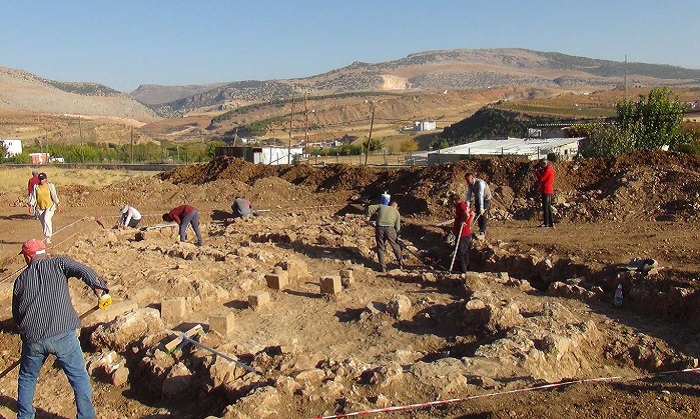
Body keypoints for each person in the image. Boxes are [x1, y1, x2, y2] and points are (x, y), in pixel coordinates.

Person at [12, 239, 111, 419]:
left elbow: (17, 315)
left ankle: (25, 416)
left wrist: (29, 333)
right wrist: (101, 293)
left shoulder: (20, 280)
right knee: (79, 378)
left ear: (27, 257)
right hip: (63, 332)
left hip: (33, 338)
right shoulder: (59, 263)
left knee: (27, 377)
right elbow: (83, 270)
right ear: (44, 251)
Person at [366, 201, 403, 272]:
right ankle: (401, 264)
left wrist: (368, 218)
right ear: (395, 206)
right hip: (390, 229)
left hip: (379, 228)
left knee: (380, 247)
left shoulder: (381, 206)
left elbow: (369, 208)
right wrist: (397, 236)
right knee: (395, 245)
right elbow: (398, 227)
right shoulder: (396, 212)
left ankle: (382, 267)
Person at [28, 172, 59, 244]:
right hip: (40, 207)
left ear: (45, 179)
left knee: (46, 219)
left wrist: (57, 204)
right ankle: (46, 236)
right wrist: (31, 206)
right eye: (40, 179)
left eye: (42, 179)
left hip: (49, 206)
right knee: (43, 223)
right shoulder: (36, 186)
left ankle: (48, 236)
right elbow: (33, 197)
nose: (41, 181)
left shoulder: (50, 186)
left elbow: (54, 195)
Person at [451, 193, 475, 273]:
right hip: (465, 233)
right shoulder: (464, 205)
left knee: (460, 254)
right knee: (465, 253)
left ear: (454, 201)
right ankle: (467, 269)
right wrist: (468, 224)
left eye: (451, 202)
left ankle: (463, 272)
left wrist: (462, 222)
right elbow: (472, 214)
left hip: (463, 234)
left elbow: (467, 215)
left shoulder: (461, 206)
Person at [464, 173, 492, 237]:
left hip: (486, 199)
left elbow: (480, 196)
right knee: (478, 213)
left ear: (472, 178)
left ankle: (483, 231)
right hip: (478, 198)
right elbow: (469, 195)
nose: (467, 182)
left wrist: (481, 208)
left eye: (468, 180)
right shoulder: (470, 184)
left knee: (483, 214)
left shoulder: (480, 183)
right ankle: (480, 229)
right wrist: (467, 207)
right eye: (466, 180)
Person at [535, 158, 555, 228]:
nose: (540, 166)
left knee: (545, 207)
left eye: (541, 164)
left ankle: (546, 223)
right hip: (549, 190)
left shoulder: (548, 170)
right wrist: (539, 170)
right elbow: (543, 174)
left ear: (544, 164)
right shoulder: (550, 169)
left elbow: (541, 179)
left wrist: (536, 172)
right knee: (548, 207)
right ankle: (551, 222)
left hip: (545, 190)